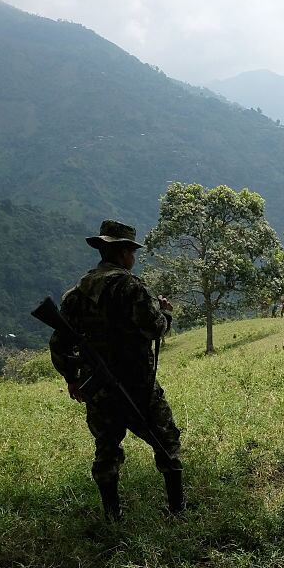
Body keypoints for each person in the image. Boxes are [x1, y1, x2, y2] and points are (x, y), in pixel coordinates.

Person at [49, 219, 185, 521]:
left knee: (107, 448)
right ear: (123, 253)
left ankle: (113, 516)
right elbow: (154, 328)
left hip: (98, 387)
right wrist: (165, 313)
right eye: (132, 252)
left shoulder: (76, 294)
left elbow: (59, 343)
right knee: (166, 441)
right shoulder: (130, 287)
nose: (133, 258)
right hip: (137, 384)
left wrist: (72, 378)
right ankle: (177, 509)